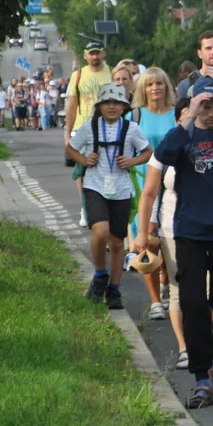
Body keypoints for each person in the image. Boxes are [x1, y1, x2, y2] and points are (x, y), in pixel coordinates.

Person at [136, 77, 213, 410]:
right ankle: (202, 379)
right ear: (192, 106)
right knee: (193, 304)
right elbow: (163, 154)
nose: (212, 112)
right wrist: (189, 116)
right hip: (188, 234)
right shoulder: (183, 137)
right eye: (206, 105)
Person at [66, 83, 152, 310]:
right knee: (100, 231)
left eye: (116, 103)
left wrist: (132, 161)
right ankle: (99, 274)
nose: (112, 107)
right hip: (95, 185)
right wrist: (84, 160)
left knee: (116, 242)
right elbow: (71, 148)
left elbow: (147, 151)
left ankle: (114, 289)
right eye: (107, 103)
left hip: (121, 189)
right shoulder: (90, 127)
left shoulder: (131, 128)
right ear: (100, 106)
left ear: (124, 106)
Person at [127, 68, 178, 320]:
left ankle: (166, 285)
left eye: (159, 83)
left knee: (170, 240)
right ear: (143, 89)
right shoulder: (136, 115)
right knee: (147, 242)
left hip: (173, 184)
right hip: (144, 185)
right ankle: (156, 301)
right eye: (150, 84)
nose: (155, 88)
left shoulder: (177, 114)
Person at [145, 98, 191, 370]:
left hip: (209, 229)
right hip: (171, 228)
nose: (192, 120)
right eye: (186, 116)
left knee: (212, 293)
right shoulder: (165, 149)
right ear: (177, 121)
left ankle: (203, 343)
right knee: (177, 289)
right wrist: (148, 225)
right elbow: (153, 192)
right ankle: (185, 347)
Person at [65, 41, 113, 227]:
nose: (95, 57)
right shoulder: (78, 76)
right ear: (85, 55)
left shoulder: (112, 73)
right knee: (82, 170)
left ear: (103, 54)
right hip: (82, 128)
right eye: (91, 53)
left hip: (106, 128)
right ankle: (85, 207)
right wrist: (68, 134)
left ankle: (104, 206)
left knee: (106, 168)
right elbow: (71, 105)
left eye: (98, 53)